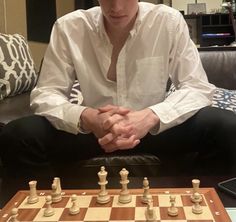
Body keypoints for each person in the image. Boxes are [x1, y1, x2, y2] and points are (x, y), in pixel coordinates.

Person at [0, 0, 236, 178]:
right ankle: (45, 209)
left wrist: (151, 116)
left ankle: (201, 204)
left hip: (152, 128)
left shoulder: (168, 21)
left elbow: (197, 87)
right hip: (94, 130)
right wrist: (86, 116)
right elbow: (46, 93)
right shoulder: (68, 27)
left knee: (228, 127)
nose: (116, 6)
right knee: (18, 134)